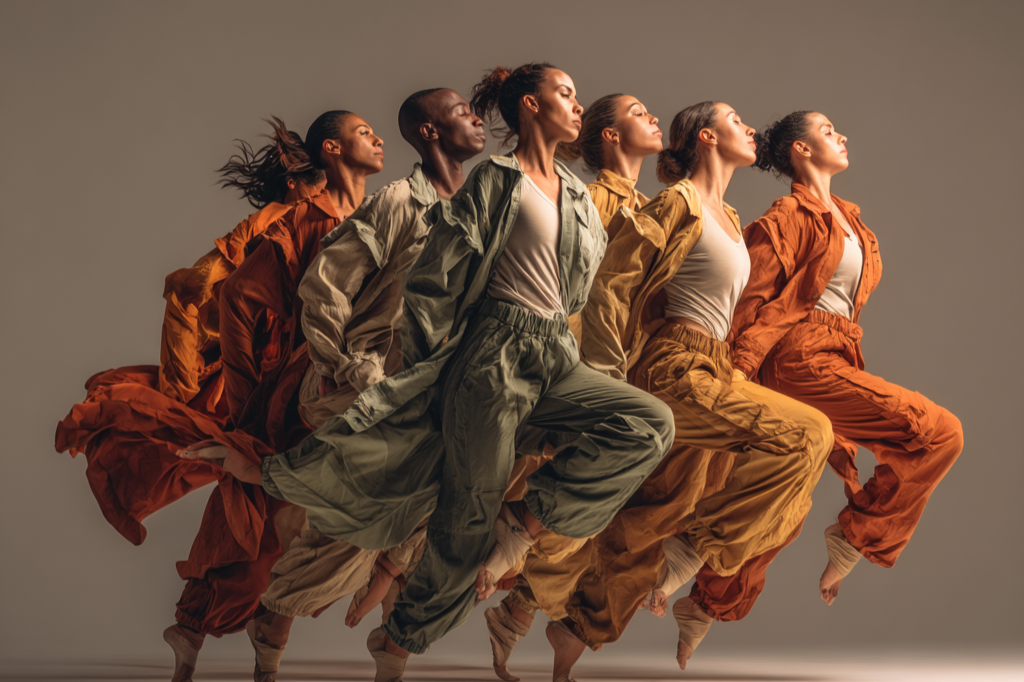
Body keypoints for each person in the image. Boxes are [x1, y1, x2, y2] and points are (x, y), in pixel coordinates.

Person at [183, 64, 674, 682]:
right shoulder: (491, 182)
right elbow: (429, 287)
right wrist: (408, 370)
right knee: (454, 521)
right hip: (492, 354)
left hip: (554, 353)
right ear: (530, 105)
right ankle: (396, 638)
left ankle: (518, 530)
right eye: (566, 94)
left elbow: (580, 293)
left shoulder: (576, 194)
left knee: (648, 424)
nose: (579, 105)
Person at [213, 88, 489, 682]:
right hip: (365, 386)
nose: (477, 119)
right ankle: (279, 621)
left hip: (431, 386)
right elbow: (324, 286)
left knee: (443, 499)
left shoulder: (477, 210)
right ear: (429, 132)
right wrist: (348, 368)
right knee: (358, 522)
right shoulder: (396, 201)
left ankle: (377, 624)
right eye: (460, 111)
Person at [553, 101, 834, 679]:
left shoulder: (729, 214)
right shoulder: (677, 202)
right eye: (736, 121)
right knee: (810, 436)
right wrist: (605, 376)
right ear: (707, 138)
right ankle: (687, 557)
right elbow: (613, 283)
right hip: (675, 367)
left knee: (659, 509)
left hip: (716, 366)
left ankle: (570, 627)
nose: (751, 129)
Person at [53, 119, 324, 682]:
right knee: (266, 509)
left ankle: (216, 632)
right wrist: (194, 382)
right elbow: (194, 287)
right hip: (267, 387)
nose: (325, 186)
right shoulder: (273, 223)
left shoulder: (320, 220)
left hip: (301, 384)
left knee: (280, 510)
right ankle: (216, 632)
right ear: (297, 183)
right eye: (315, 178)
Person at [167, 109, 384, 682]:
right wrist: (246, 400)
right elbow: (238, 295)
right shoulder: (305, 219)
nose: (378, 138)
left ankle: (253, 639)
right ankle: (200, 629)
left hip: (355, 384)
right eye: (364, 132)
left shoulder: (374, 215)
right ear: (333, 149)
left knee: (318, 516)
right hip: (300, 387)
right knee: (269, 514)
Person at [730, 110, 963, 606]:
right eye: (829, 131)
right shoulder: (785, 219)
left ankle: (707, 601)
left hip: (838, 353)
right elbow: (750, 303)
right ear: (801, 149)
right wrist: (736, 372)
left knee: (786, 495)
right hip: (798, 360)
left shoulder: (852, 221)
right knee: (938, 431)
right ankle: (854, 537)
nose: (843, 136)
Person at [484, 92, 664, 682]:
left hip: (624, 373)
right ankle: (417, 608)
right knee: (559, 505)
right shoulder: (596, 200)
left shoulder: (646, 205)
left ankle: (513, 613)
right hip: (584, 370)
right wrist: (600, 375)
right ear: (609, 138)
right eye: (638, 113)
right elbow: (590, 294)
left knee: (593, 514)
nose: (653, 118)